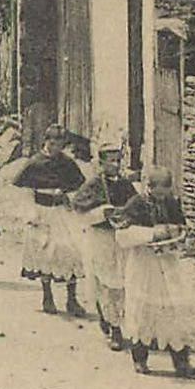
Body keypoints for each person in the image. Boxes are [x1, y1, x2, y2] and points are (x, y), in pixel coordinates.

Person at [114, 167, 195, 378]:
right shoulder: (137, 204)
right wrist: (151, 234)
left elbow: (181, 226)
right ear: (149, 188)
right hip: (144, 263)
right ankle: (140, 359)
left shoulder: (171, 203)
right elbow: (121, 234)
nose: (162, 197)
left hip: (168, 263)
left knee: (174, 309)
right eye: (158, 193)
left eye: (165, 192)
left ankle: (181, 363)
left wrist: (176, 233)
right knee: (143, 310)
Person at [11, 124, 86, 316]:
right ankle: (47, 296)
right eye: (52, 143)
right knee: (44, 253)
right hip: (42, 214)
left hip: (62, 212)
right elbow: (24, 191)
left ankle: (72, 299)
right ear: (46, 141)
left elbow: (79, 186)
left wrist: (69, 196)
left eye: (60, 144)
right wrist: (30, 214)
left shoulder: (68, 163)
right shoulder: (34, 163)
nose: (55, 148)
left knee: (70, 251)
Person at [71, 139, 139, 350]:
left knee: (121, 281)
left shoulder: (126, 184)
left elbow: (135, 207)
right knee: (105, 281)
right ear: (101, 163)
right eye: (111, 161)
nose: (116, 165)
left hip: (120, 239)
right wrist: (102, 212)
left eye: (118, 161)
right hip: (99, 238)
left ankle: (117, 322)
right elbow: (80, 212)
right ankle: (113, 328)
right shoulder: (93, 185)